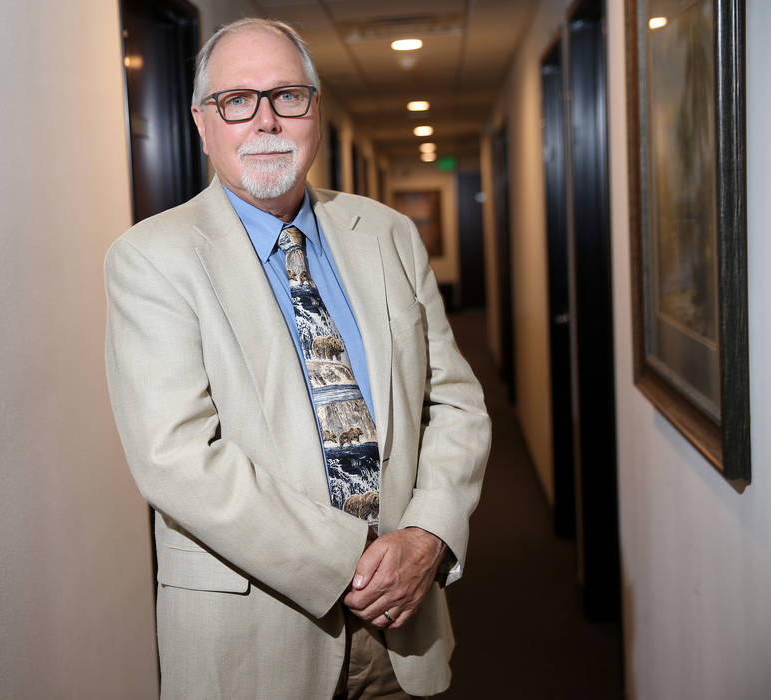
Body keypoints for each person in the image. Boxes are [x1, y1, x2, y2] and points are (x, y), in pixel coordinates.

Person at [104, 17, 491, 699]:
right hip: (255, 644)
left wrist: (429, 533)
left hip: (407, 624)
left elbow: (454, 401)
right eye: (237, 101)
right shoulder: (151, 259)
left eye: (287, 96)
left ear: (316, 111)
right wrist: (354, 564)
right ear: (202, 123)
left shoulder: (389, 234)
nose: (265, 121)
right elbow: (176, 456)